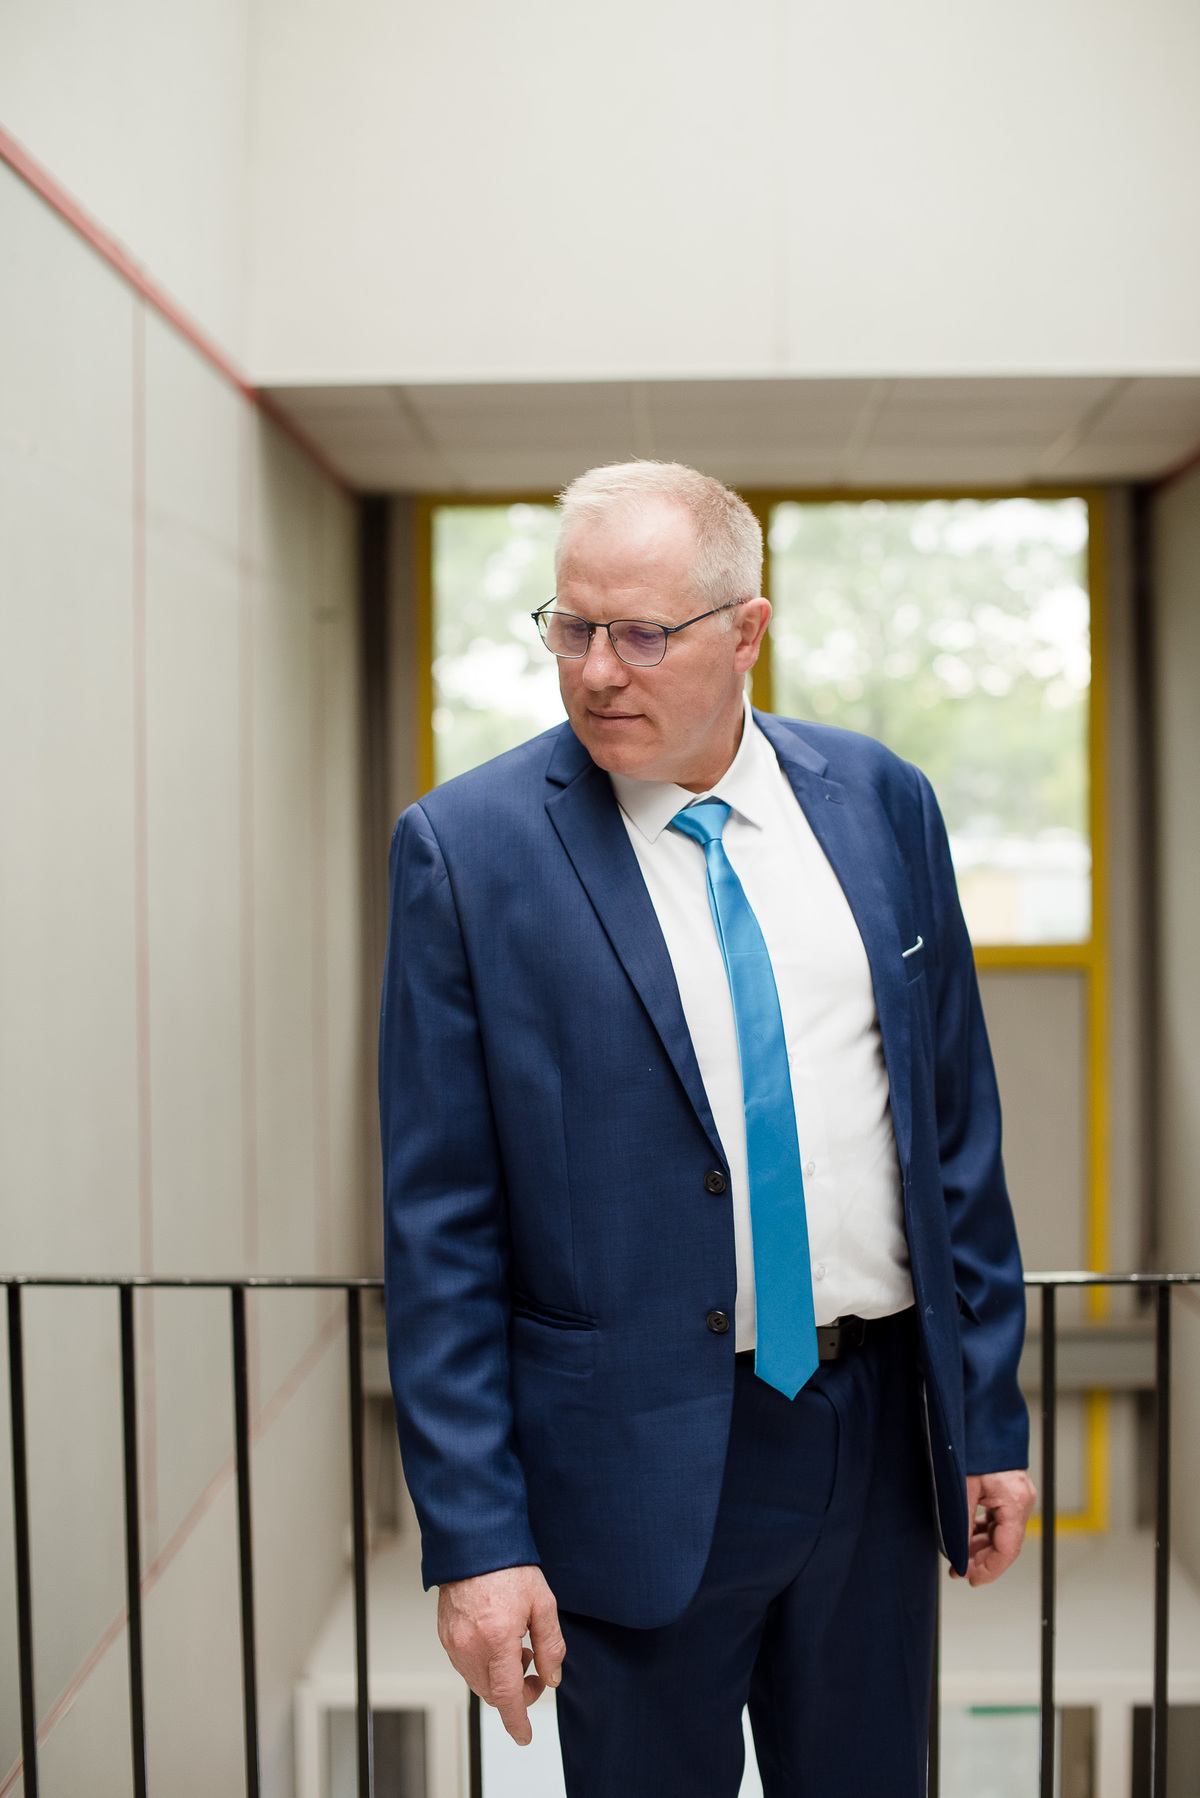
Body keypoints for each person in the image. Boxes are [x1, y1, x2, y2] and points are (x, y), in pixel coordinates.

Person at [379, 462, 1034, 1797]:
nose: (596, 672)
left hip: (873, 1436)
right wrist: (477, 1538)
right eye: (572, 626)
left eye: (641, 634)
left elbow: (954, 1130)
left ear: (747, 631)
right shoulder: (468, 851)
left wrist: (987, 1418)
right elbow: (439, 1228)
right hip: (630, 1462)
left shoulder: (882, 801)